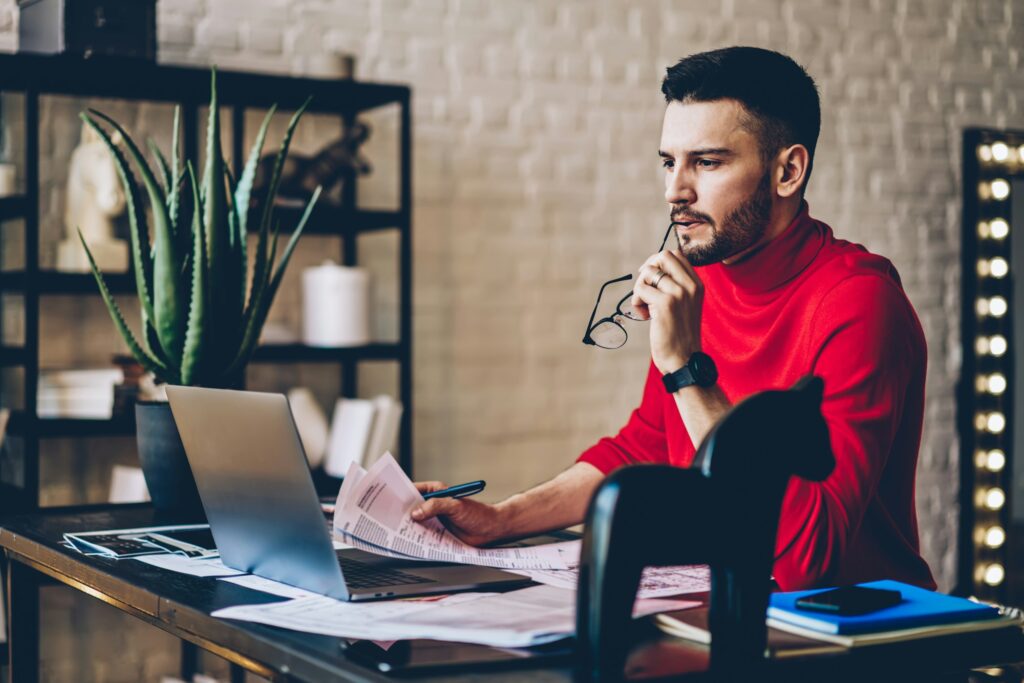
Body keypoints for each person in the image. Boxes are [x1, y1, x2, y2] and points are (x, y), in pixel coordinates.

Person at [412, 46, 936, 591]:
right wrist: (501, 520)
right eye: (669, 161)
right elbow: (646, 447)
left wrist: (686, 369)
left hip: (848, 640)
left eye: (707, 162)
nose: (674, 191)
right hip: (721, 611)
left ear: (788, 171)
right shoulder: (700, 284)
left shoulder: (859, 303)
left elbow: (807, 559)